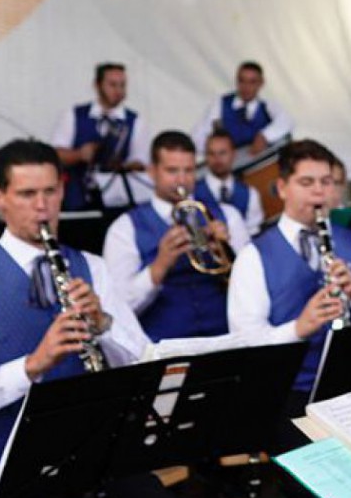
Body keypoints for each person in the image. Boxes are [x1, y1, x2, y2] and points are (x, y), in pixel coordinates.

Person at [0, 140, 195, 498]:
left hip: (95, 446)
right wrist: (32, 366)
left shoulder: (91, 266)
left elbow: (142, 362)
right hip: (9, 460)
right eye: (27, 194)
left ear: (63, 191)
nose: (42, 206)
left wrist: (104, 325)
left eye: (50, 192)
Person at [227, 139, 351, 498]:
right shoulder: (253, 256)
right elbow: (244, 343)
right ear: (282, 188)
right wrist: (299, 328)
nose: (320, 192)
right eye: (307, 182)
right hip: (289, 398)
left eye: (327, 182)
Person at [103, 131, 250, 342]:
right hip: (164, 347)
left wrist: (227, 252)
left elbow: (253, 289)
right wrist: (159, 267)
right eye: (172, 171)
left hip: (226, 338)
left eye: (188, 170)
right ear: (152, 172)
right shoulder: (124, 228)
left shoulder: (228, 215)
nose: (181, 180)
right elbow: (118, 308)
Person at [50, 63, 150, 210]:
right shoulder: (74, 115)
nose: (119, 91)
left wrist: (122, 166)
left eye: (122, 85)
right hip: (76, 198)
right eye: (112, 85)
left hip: (116, 202)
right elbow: (55, 155)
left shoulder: (135, 121)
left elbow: (141, 161)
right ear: (97, 85)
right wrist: (79, 155)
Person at [192, 61, 294, 156]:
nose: (246, 87)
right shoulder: (220, 103)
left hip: (258, 167)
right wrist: (214, 149)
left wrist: (265, 136)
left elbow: (286, 121)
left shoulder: (267, 106)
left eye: (252, 82)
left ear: (261, 83)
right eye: (242, 81)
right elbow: (198, 136)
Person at [196, 128, 265, 235]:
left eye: (222, 153)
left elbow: (254, 234)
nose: (217, 159)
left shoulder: (250, 194)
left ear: (233, 154)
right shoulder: (192, 193)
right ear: (206, 156)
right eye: (211, 153)